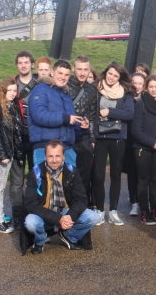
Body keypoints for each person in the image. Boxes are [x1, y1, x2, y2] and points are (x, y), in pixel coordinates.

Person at [24, 140, 100, 254]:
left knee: (94, 217)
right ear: (45, 156)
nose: (54, 160)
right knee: (30, 222)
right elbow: (30, 204)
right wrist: (58, 219)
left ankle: (69, 236)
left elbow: (81, 199)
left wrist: (69, 217)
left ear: (63, 156)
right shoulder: (34, 173)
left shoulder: (72, 171)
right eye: (50, 156)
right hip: (43, 214)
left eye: (57, 156)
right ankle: (40, 241)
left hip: (65, 212)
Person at [92, 62, 135, 226]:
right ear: (105, 73)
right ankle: (100, 211)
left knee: (116, 175)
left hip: (118, 137)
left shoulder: (125, 93)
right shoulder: (96, 89)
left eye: (115, 75)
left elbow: (129, 114)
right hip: (100, 137)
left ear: (120, 77)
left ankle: (114, 211)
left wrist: (109, 112)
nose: (111, 77)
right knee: (98, 175)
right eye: (110, 74)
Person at [28, 60, 87, 166]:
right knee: (46, 182)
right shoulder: (40, 90)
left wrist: (82, 126)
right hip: (45, 148)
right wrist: (66, 118)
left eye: (66, 75)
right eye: (60, 73)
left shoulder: (66, 95)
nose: (63, 77)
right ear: (51, 72)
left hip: (66, 149)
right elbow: (39, 115)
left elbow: (67, 125)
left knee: (68, 182)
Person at [132, 75, 156, 225]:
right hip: (143, 148)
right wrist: (152, 142)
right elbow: (136, 130)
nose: (154, 90)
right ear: (146, 88)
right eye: (151, 87)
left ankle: (155, 210)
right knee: (143, 180)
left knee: (155, 180)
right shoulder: (140, 103)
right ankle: (144, 211)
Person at [0, 78, 22, 233]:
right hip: (0, 154)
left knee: (0, 186)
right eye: (10, 90)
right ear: (3, 91)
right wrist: (2, 154)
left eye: (15, 90)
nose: (13, 94)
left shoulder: (10, 106)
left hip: (9, 152)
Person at [9, 51, 37, 228]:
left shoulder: (40, 83)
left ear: (32, 64)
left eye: (26, 62)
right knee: (17, 180)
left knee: (36, 176)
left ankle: (34, 211)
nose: (23, 65)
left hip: (35, 137)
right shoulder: (11, 85)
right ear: (17, 65)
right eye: (20, 63)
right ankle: (18, 215)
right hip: (17, 137)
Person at [67, 55, 98, 211]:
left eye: (85, 69)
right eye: (79, 69)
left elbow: (93, 115)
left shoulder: (92, 89)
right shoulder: (66, 86)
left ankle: (82, 207)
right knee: (68, 175)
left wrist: (92, 138)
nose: (82, 72)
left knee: (84, 176)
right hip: (68, 136)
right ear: (74, 69)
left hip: (85, 137)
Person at [124, 72, 145, 216]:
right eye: (134, 83)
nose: (137, 86)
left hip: (142, 140)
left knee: (142, 173)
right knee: (132, 172)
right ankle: (134, 202)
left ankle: (144, 201)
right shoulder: (125, 98)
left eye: (140, 83)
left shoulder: (146, 100)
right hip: (128, 140)